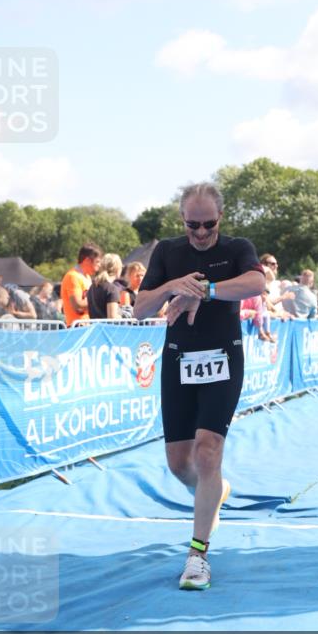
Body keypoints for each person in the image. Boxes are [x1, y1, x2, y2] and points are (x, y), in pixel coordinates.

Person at [134, 182, 265, 591]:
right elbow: (140, 309)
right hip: (178, 360)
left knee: (208, 450)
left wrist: (205, 292)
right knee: (180, 463)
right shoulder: (169, 252)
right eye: (193, 225)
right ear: (182, 221)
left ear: (220, 219)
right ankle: (213, 492)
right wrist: (176, 287)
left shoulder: (237, 247)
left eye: (209, 225)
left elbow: (257, 284)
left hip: (223, 360)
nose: (202, 234)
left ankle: (197, 554)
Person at [61, 243, 102, 327]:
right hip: (76, 328)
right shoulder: (73, 276)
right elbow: (77, 306)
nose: (99, 265)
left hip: (86, 326)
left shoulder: (87, 277)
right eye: (97, 261)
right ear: (87, 260)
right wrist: (99, 301)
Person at [88, 254, 123, 320]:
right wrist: (124, 316)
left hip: (95, 328)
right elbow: (112, 318)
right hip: (108, 329)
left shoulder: (92, 287)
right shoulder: (112, 289)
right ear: (117, 268)